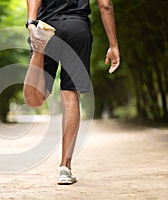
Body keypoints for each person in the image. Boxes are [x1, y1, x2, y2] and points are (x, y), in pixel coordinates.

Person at [24, 0, 120, 185]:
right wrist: (113, 45)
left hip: (47, 25)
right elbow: (106, 5)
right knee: (70, 97)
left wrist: (31, 22)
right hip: (78, 29)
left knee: (35, 99)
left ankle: (39, 49)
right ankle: (65, 168)